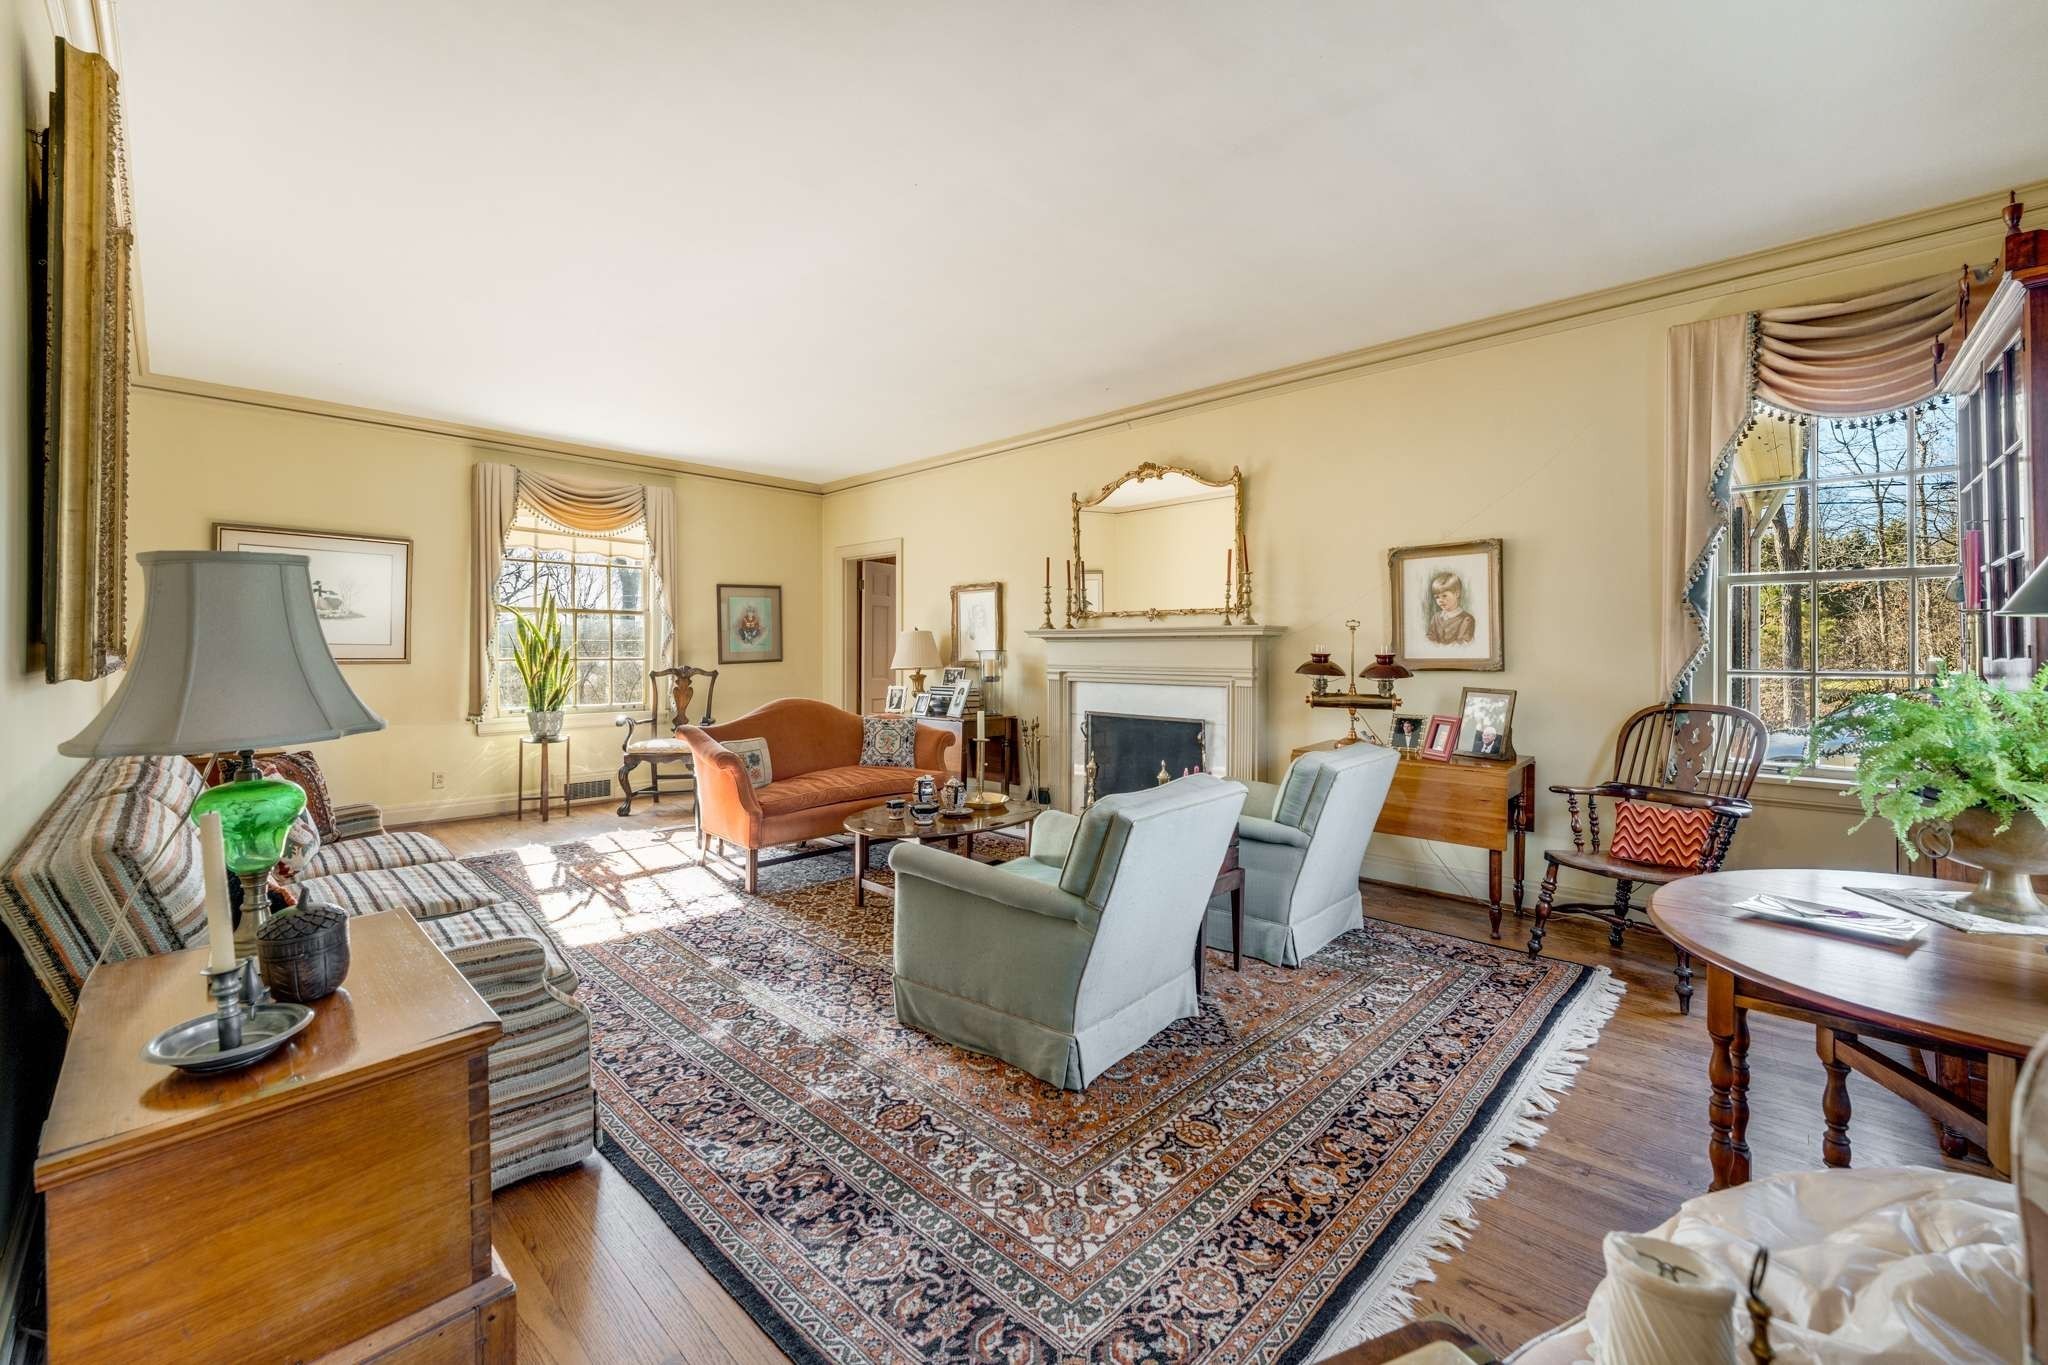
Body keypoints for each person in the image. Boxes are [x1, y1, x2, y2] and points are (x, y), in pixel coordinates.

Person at [1425, 570, 1476, 646]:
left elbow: (1463, 644)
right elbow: (1430, 637)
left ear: (1456, 594)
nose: (1440, 600)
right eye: (1437, 597)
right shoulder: (1436, 617)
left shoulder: (1466, 619)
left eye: (1444, 596)